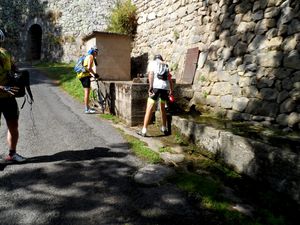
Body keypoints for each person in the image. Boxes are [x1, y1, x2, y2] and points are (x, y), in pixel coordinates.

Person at [0, 28, 26, 162]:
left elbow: (14, 69)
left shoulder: (5, 53)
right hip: (6, 95)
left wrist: (19, 76)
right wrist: (2, 87)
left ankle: (12, 154)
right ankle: (12, 154)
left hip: (9, 97)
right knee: (13, 126)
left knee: (13, 125)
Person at [137, 54, 174, 137]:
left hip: (156, 87)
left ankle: (144, 130)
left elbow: (150, 74)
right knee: (162, 107)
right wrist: (171, 90)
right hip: (165, 88)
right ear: (161, 58)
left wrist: (150, 87)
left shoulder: (152, 63)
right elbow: (169, 79)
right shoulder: (165, 65)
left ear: (155, 59)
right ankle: (164, 128)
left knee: (149, 107)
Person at [77, 46, 99, 114]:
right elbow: (89, 68)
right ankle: (87, 109)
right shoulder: (91, 57)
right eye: (96, 52)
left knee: (86, 92)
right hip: (85, 76)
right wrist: (94, 74)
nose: (97, 53)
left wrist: (91, 75)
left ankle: (88, 107)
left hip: (81, 76)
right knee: (87, 93)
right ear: (94, 52)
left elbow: (86, 67)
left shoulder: (87, 56)